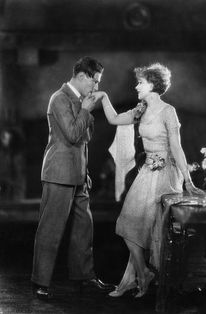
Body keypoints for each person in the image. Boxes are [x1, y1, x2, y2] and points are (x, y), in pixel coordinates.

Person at [92, 62, 203, 298]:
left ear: (152, 84)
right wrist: (103, 96)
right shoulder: (140, 110)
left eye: (140, 82)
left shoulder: (168, 111)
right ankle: (143, 273)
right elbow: (113, 119)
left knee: (155, 227)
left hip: (166, 172)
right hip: (148, 171)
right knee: (126, 223)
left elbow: (177, 148)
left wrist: (189, 181)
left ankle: (153, 279)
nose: (136, 86)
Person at [31, 56, 114, 300]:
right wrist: (86, 109)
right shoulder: (59, 98)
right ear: (81, 76)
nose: (96, 88)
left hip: (78, 175)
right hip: (58, 174)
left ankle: (84, 278)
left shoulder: (78, 100)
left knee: (83, 229)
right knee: (51, 230)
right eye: (94, 81)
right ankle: (40, 282)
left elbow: (84, 142)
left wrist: (85, 171)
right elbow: (71, 135)